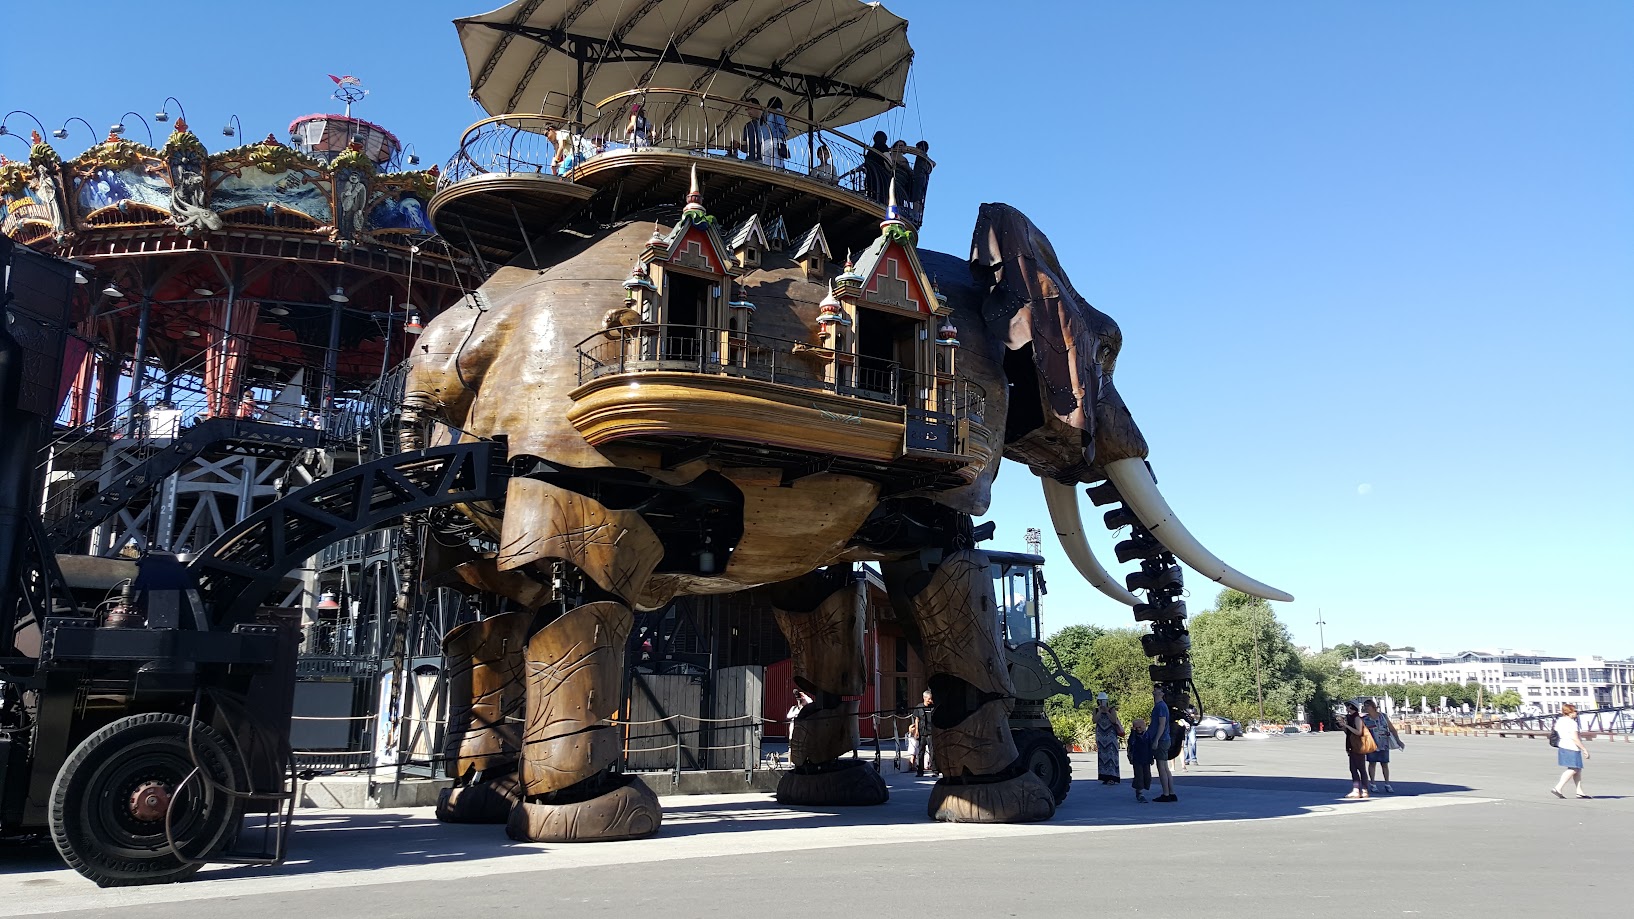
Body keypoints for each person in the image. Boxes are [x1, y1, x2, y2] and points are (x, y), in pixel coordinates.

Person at [1362, 699, 1404, 792]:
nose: (1365, 708)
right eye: (1365, 706)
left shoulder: (1383, 716)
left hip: (1383, 743)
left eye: (1367, 706)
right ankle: (1373, 783)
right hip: (1371, 744)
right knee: (1372, 763)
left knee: (1384, 764)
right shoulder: (1364, 719)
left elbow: (1392, 729)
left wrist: (1398, 740)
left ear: (1373, 706)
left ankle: (1387, 783)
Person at [1550, 703, 1591, 799]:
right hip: (1571, 747)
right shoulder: (1572, 723)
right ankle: (1558, 787)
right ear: (1570, 712)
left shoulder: (1559, 721)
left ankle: (1579, 791)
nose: (1576, 713)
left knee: (1577, 769)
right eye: (1575, 711)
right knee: (1574, 768)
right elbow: (1575, 738)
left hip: (1563, 745)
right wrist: (1584, 749)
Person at [1149, 685, 1176, 802]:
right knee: (1165, 767)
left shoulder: (1160, 707)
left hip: (1161, 740)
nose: (1154, 691)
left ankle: (1166, 794)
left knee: (1161, 767)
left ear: (1162, 694)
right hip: (1164, 739)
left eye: (1157, 690)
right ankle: (1171, 792)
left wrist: (1155, 740)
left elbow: (1161, 724)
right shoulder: (1161, 706)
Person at [1338, 701, 1370, 798]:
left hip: (1358, 745)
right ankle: (1358, 789)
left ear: (1352, 707)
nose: (1346, 708)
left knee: (1360, 768)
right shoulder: (1349, 718)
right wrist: (1343, 726)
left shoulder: (1357, 718)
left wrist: (1346, 725)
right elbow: (1348, 733)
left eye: (1347, 706)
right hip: (1351, 744)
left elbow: (1358, 732)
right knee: (1353, 768)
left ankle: (1363, 790)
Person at [1093, 693, 1124, 784]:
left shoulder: (1111, 709)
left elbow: (1114, 720)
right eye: (1100, 701)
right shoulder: (1095, 710)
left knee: (1111, 756)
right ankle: (1104, 776)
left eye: (1103, 701)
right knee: (1102, 756)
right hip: (1101, 735)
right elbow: (1094, 720)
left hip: (1110, 735)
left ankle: (1112, 777)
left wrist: (1106, 711)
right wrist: (1099, 711)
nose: (1102, 702)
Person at [1127, 717, 1154, 803]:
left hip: (1146, 758)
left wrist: (1151, 757)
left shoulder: (1147, 735)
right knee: (1139, 776)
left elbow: (1150, 747)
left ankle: (1143, 788)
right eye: (1137, 727)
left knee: (1147, 776)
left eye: (1141, 727)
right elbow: (1131, 742)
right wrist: (1133, 732)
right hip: (1137, 759)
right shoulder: (1134, 736)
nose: (1139, 729)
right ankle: (1139, 792)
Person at [911, 689, 936, 776]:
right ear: (924, 698)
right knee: (921, 752)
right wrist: (916, 731)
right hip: (922, 732)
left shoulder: (933, 707)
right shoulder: (919, 707)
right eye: (929, 699)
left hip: (931, 732)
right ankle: (920, 771)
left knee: (932, 751)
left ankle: (934, 771)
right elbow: (917, 719)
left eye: (931, 699)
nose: (930, 700)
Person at [862, 131, 890, 203]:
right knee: (881, 194)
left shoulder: (871, 150)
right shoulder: (883, 147)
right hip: (881, 176)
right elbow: (888, 163)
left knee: (871, 191)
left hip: (870, 175)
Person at [910, 140, 935, 221]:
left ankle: (915, 213)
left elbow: (912, 150)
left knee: (916, 196)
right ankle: (917, 214)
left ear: (920, 147)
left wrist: (904, 149)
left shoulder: (921, 156)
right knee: (919, 196)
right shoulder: (925, 158)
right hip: (922, 178)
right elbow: (934, 164)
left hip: (919, 178)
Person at [765, 97, 789, 168]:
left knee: (766, 168)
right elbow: (782, 126)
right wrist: (786, 132)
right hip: (776, 142)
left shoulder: (766, 116)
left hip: (766, 144)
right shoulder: (777, 112)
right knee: (777, 167)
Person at [739, 98, 765, 162]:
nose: (748, 112)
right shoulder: (747, 126)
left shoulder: (767, 122)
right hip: (750, 160)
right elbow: (746, 148)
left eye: (750, 108)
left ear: (758, 107)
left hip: (764, 160)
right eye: (747, 109)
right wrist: (739, 146)